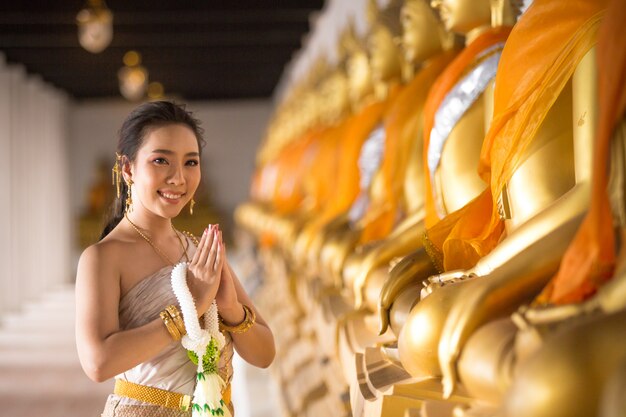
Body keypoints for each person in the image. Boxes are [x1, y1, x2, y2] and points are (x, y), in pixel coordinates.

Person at [75, 101, 275, 417]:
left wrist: (231, 310)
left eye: (190, 162)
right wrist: (189, 309)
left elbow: (265, 354)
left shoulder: (201, 251)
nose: (178, 178)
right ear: (128, 169)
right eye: (160, 161)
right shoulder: (102, 258)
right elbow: (97, 363)